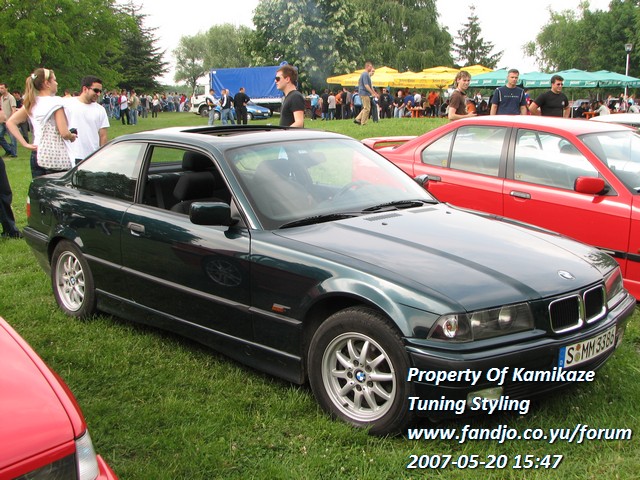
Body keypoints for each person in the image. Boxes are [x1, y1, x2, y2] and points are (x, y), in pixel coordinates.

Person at [6, 68, 77, 178]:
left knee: (39, 187)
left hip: (37, 152)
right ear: (47, 83)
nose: (57, 83)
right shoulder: (56, 102)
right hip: (55, 156)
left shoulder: (32, 103)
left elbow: (10, 122)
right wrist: (71, 136)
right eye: (54, 80)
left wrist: (25, 144)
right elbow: (63, 133)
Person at [64, 75, 110, 165]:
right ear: (85, 89)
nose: (98, 94)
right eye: (96, 90)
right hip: (71, 155)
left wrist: (102, 157)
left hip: (92, 157)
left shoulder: (100, 110)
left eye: (100, 91)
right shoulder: (67, 104)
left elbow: (103, 136)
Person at [0, 83, 17, 157]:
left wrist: (10, 120)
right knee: (0, 136)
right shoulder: (1, 98)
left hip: (10, 121)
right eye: (0, 88)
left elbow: (13, 110)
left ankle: (14, 153)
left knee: (12, 137)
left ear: (6, 88)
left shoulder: (11, 97)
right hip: (3, 121)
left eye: (2, 88)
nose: (1, 90)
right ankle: (8, 150)